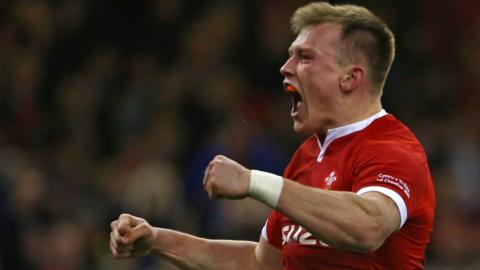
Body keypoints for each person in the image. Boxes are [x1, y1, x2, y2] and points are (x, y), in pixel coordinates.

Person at [109, 2, 436, 269]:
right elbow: (259, 263)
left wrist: (254, 182)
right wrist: (156, 239)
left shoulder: (392, 149)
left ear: (350, 79)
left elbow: (369, 226)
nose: (286, 67)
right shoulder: (307, 159)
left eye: (305, 57)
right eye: (291, 54)